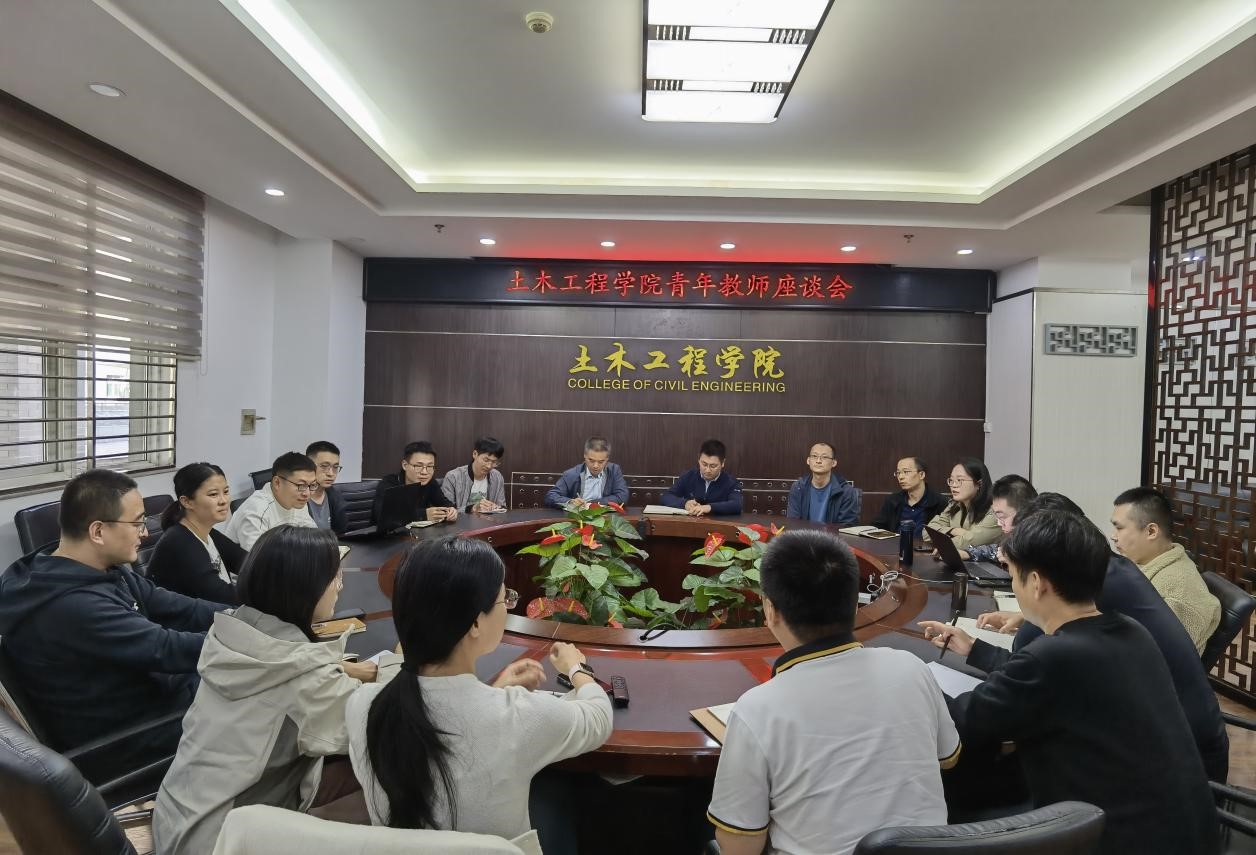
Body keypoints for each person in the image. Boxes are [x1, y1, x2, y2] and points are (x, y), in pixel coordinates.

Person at [927, 509, 1217, 854]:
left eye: (1013, 575)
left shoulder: (1052, 657)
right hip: (1186, 832)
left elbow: (963, 720)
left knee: (957, 790)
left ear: (1037, 583)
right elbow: (1044, 682)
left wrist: (911, 677)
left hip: (1116, 840)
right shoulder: (1130, 631)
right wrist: (976, 649)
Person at [346, 536, 612, 852]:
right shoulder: (518, 716)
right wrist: (576, 668)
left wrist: (494, 692)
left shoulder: (363, 705)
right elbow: (598, 717)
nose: (507, 606)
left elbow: (451, 718)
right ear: (475, 622)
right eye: (504, 599)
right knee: (561, 791)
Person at [707, 530, 959, 855]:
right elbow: (947, 757)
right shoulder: (911, 668)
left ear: (770, 610)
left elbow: (740, 848)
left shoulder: (756, 710)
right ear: (855, 604)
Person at [153, 526, 388, 855]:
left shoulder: (232, 634)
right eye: (334, 577)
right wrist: (401, 669)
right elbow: (375, 723)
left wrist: (340, 668)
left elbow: (287, 672)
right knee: (390, 773)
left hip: (178, 818)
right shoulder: (304, 679)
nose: (340, 586)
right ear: (303, 588)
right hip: (222, 843)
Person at [0, 470, 223, 777]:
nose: (145, 534)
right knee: (258, 699)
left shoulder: (101, 568)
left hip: (153, 698)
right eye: (137, 523)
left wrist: (244, 616)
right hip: (127, 740)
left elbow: (180, 607)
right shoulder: (74, 606)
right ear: (98, 531)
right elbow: (166, 648)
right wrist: (247, 638)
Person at [1111, 487, 1220, 655]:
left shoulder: (1176, 594)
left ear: (1151, 531)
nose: (1113, 536)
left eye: (1119, 528)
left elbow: (1149, 656)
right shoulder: (1145, 562)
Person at [148, 462, 247, 604]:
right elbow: (221, 596)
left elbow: (248, 563)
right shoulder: (179, 541)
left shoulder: (208, 532)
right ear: (187, 502)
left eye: (225, 492)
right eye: (213, 494)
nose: (224, 500)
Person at [224, 452, 319, 550]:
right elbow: (258, 556)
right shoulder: (256, 510)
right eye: (301, 485)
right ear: (277, 483)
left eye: (312, 485)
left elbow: (313, 538)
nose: (307, 493)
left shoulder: (298, 502)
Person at [372, 441, 458, 532]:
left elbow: (444, 503)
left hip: (416, 535)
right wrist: (424, 515)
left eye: (430, 466)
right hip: (385, 536)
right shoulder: (388, 484)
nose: (424, 472)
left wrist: (451, 510)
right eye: (418, 466)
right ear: (405, 465)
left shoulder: (430, 482)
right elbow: (384, 517)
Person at [925, 457, 1000, 549]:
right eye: (951, 480)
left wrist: (944, 540)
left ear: (979, 484)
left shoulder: (995, 511)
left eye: (960, 480)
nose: (953, 485)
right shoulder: (954, 505)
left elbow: (969, 542)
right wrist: (953, 530)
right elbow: (927, 532)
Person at [959, 474, 1036, 562]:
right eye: (997, 516)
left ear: (1025, 512)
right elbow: (996, 549)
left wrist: (1016, 561)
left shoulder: (1043, 541)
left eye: (1002, 517)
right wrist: (967, 554)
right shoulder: (1018, 538)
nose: (999, 523)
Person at [660, 439, 743, 516]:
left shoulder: (731, 482)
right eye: (704, 464)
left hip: (717, 525)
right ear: (698, 459)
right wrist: (685, 503)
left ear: (723, 463)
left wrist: (709, 507)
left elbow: (737, 504)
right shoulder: (688, 476)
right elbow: (666, 497)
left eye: (713, 466)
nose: (707, 470)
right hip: (692, 523)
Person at [784, 442, 860, 525]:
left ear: (834, 463)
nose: (818, 461)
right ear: (808, 460)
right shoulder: (798, 488)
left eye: (824, 457)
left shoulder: (846, 492)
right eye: (814, 456)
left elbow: (846, 527)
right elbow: (793, 523)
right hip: (804, 533)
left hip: (832, 534)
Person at [545, 436, 629, 509]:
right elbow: (550, 496)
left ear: (607, 459)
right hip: (579, 518)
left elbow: (623, 496)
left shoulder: (614, 470)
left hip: (605, 517)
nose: (595, 466)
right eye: (591, 460)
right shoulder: (571, 474)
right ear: (585, 456)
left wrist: (591, 504)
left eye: (601, 462)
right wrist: (571, 502)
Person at [870, 456, 947, 534]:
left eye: (906, 472)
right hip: (895, 541)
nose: (900, 477)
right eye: (898, 473)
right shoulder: (892, 501)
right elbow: (877, 527)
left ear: (921, 475)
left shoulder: (940, 503)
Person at [441, 436, 507, 513]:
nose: (489, 466)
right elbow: (446, 511)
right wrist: (473, 508)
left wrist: (496, 507)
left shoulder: (497, 477)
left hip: (489, 520)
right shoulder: (453, 477)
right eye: (486, 460)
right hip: (461, 520)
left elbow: (502, 506)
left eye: (494, 462)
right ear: (475, 454)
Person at [305, 440, 349, 535]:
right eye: (324, 466)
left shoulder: (335, 496)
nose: (331, 473)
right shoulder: (296, 497)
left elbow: (341, 533)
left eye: (335, 467)